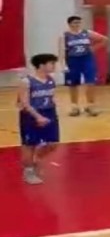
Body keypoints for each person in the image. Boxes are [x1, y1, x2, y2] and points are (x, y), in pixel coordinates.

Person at [18, 54, 60, 185]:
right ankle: (28, 172)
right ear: (41, 65)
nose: (54, 66)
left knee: (53, 143)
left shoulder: (51, 80)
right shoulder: (27, 81)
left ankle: (37, 158)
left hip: (49, 112)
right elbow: (24, 103)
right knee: (29, 144)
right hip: (30, 115)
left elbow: (51, 96)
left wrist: (55, 103)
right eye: (51, 63)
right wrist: (38, 116)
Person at [58, 15, 109, 117]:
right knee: (73, 84)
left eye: (79, 22)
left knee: (90, 82)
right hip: (72, 60)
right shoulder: (64, 35)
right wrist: (62, 65)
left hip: (87, 59)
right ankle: (74, 106)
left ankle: (90, 105)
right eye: (75, 23)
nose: (77, 24)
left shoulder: (87, 33)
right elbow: (61, 51)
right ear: (70, 24)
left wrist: (93, 48)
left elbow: (104, 39)